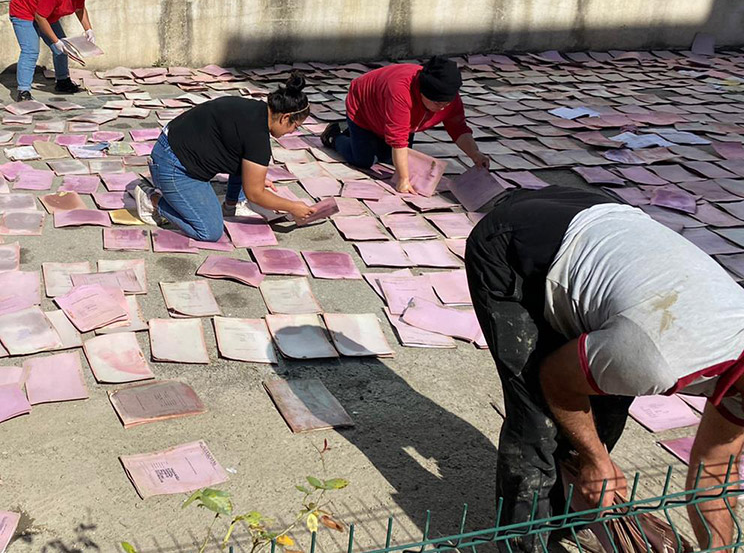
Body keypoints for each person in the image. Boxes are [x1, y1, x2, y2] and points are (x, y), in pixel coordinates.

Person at [465, 185, 744, 552]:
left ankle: (568, 516)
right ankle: (522, 543)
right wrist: (597, 460)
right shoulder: (660, 358)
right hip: (517, 241)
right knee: (537, 420)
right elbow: (556, 377)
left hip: (605, 229)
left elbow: (713, 471)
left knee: (605, 414)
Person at [135, 74, 316, 242]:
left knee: (248, 167)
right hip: (173, 166)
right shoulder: (257, 139)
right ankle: (152, 199)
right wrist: (292, 207)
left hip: (167, 146)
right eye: (296, 126)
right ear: (285, 118)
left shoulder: (252, 109)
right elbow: (255, 194)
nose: (293, 132)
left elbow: (238, 150)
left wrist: (254, 176)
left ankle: (232, 204)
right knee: (210, 231)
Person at [319, 57, 488, 194]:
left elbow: (458, 128)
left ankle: (358, 137)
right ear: (422, 92)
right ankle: (335, 136)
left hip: (400, 121)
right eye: (437, 103)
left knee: (389, 161)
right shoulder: (401, 92)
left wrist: (475, 154)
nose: (442, 107)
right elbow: (398, 140)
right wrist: (403, 180)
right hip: (364, 107)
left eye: (447, 102)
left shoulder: (449, 99)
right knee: (364, 160)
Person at [7, 0, 96, 102]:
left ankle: (62, 81)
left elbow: (80, 9)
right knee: (31, 50)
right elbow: (40, 17)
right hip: (24, 12)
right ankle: (23, 91)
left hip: (46, 15)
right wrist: (55, 41)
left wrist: (88, 30)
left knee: (63, 49)